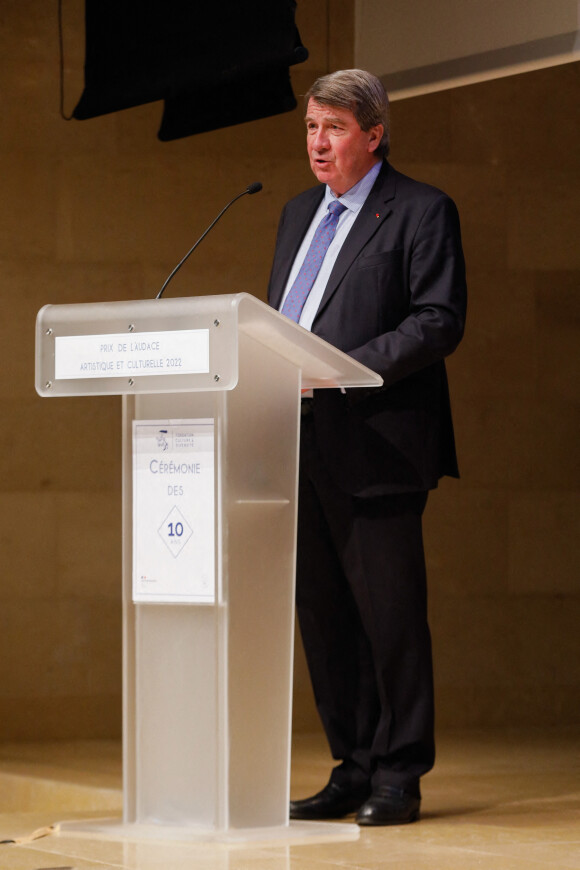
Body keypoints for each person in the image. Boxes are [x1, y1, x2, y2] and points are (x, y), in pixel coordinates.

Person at [267, 69, 467, 826]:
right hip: (298, 440)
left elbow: (438, 320)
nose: (318, 144)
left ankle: (399, 774)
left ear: (374, 134)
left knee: (390, 619)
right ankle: (352, 764)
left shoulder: (420, 210)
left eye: (335, 130)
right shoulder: (294, 215)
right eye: (312, 128)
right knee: (324, 619)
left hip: (379, 445)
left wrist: (345, 369)